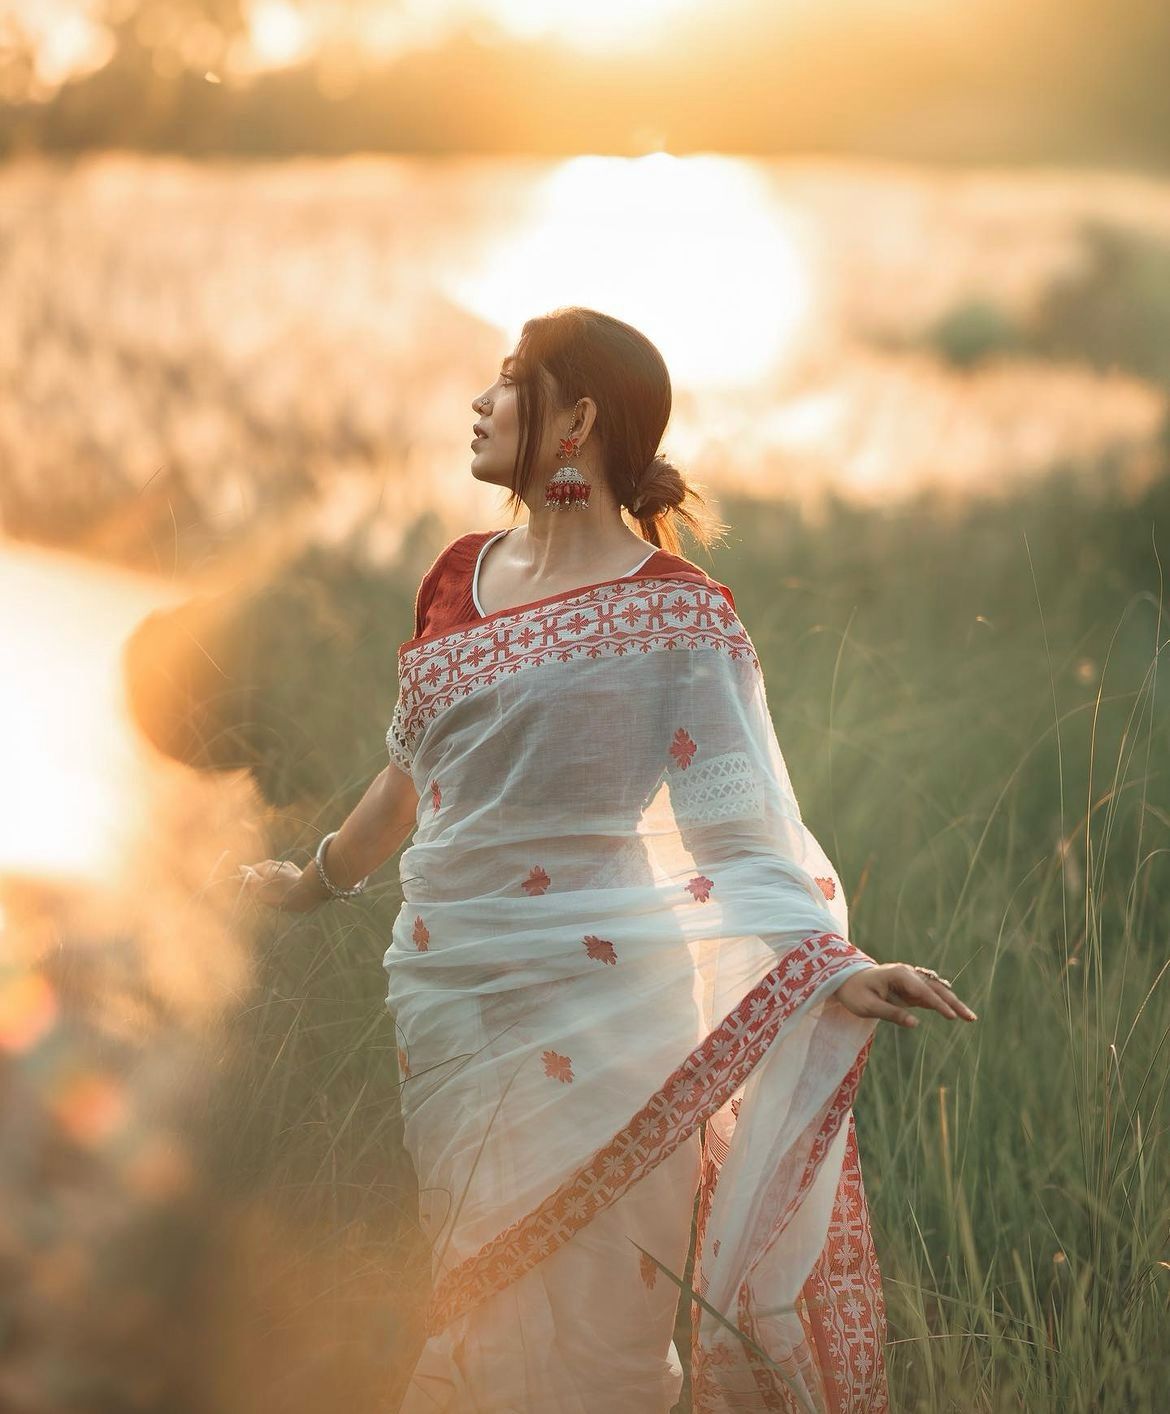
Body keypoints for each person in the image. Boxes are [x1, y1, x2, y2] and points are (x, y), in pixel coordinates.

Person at [239, 307, 977, 1413]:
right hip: (448, 992)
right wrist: (310, 883)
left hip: (604, 1011)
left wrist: (831, 967)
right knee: (476, 1286)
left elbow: (739, 833)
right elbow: (403, 782)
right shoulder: (455, 577)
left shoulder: (680, 616)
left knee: (596, 1326)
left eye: (507, 383)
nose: (479, 407)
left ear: (576, 418)